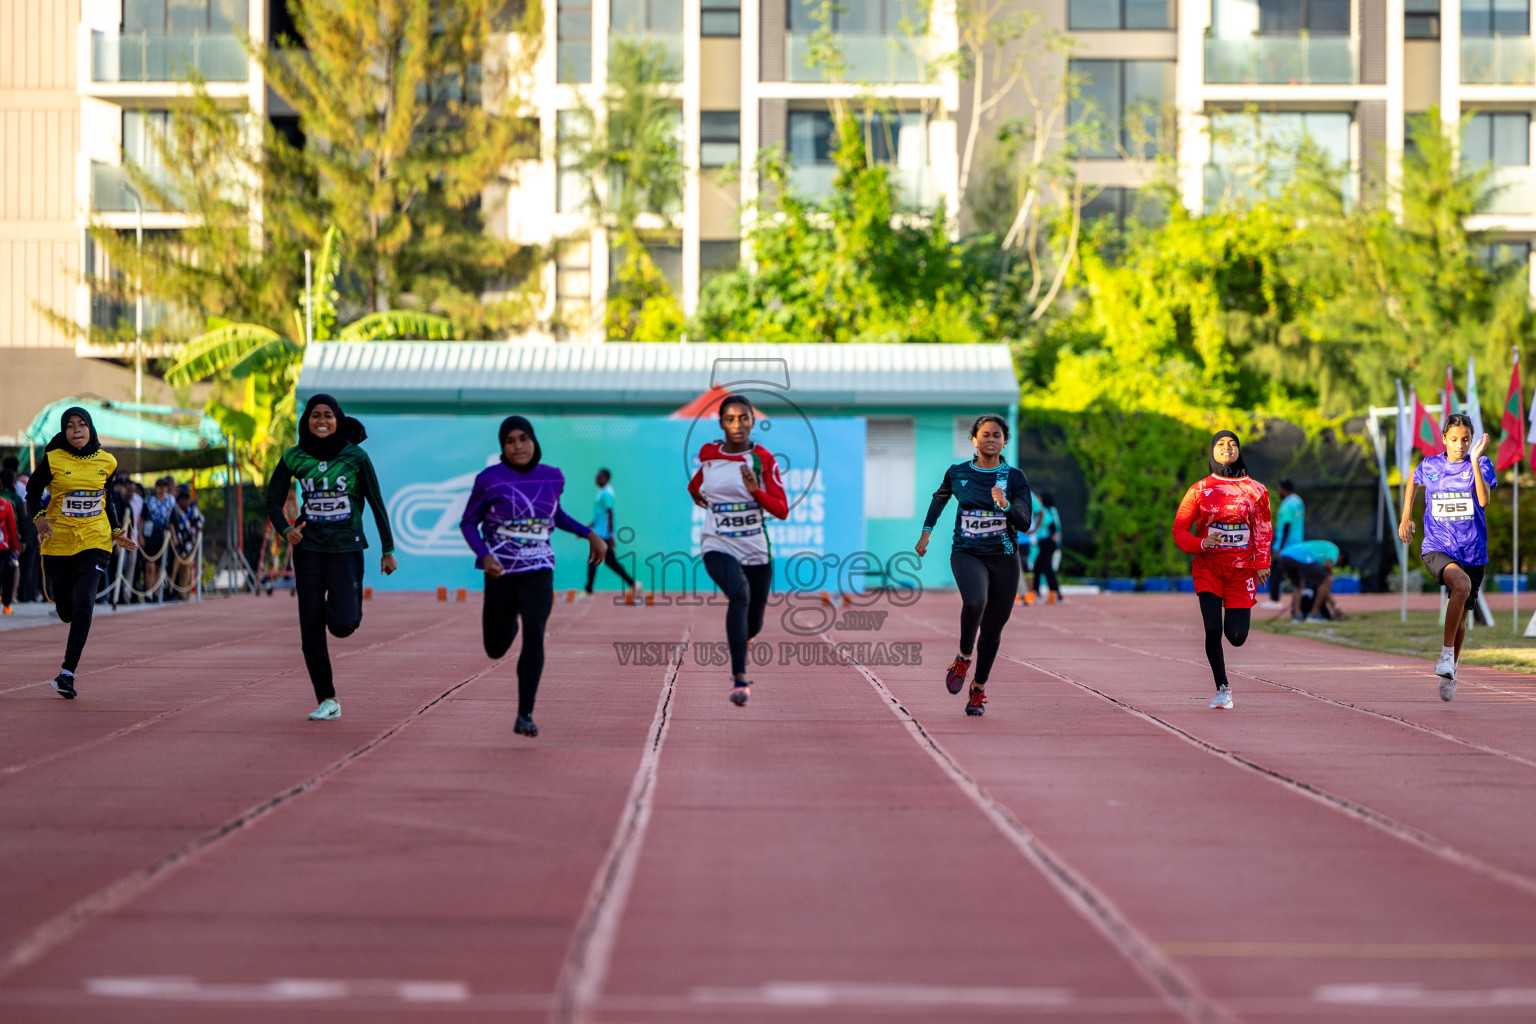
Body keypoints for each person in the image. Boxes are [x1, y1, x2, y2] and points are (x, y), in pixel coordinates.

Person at [460, 416, 606, 738]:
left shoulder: (552, 477)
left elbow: (555, 515)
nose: (518, 446)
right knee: (496, 647)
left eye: (523, 439)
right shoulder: (489, 480)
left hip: (539, 568)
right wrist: (484, 556)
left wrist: (589, 534)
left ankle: (524, 714)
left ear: (534, 441)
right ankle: (509, 621)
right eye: (510, 441)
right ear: (503, 447)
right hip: (500, 572)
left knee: (535, 634)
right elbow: (468, 522)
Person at [265, 394, 397, 721]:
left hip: (346, 548)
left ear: (338, 419)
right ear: (306, 421)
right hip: (308, 550)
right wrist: (286, 530)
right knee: (310, 629)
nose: (321, 421)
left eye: (328, 415)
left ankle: (332, 610)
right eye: (315, 415)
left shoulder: (355, 457)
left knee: (343, 624)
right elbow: (272, 501)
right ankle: (328, 699)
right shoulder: (294, 457)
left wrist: (388, 550)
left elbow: (377, 504)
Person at [917, 414, 1032, 717]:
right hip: (967, 551)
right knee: (975, 600)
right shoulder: (958, 473)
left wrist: (1005, 505)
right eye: (985, 434)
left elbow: (1025, 521)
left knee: (993, 629)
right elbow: (939, 498)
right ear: (974, 440)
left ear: (1005, 441)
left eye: (997, 435)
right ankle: (963, 656)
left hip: (1004, 558)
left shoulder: (1015, 477)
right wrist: (926, 533)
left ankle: (978, 690)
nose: (991, 439)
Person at [24, 407, 139, 697]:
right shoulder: (53, 460)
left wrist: (114, 530)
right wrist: (38, 518)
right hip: (58, 542)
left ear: (90, 429)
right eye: (71, 425)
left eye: (82, 424)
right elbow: (33, 492)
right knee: (66, 611)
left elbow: (107, 497)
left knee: (86, 603)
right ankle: (67, 618)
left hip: (95, 541)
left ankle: (67, 674)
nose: (77, 430)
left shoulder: (107, 461)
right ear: (64, 431)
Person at [687, 394, 790, 707]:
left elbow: (782, 509)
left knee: (754, 624)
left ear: (752, 422)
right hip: (716, 543)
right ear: (720, 423)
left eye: (743, 418)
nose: (737, 424)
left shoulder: (762, 459)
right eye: (730, 419)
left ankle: (742, 641)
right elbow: (697, 483)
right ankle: (740, 679)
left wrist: (754, 490)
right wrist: (695, 494)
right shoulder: (708, 453)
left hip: (756, 549)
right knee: (739, 594)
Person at [1172, 430, 1273, 711]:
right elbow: (1179, 530)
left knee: (1237, 637)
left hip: (1242, 572)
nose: (1227, 448)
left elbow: (1263, 528)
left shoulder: (1256, 490)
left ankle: (1225, 679)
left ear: (1239, 451)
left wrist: (1262, 563)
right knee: (1212, 627)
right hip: (1209, 569)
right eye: (1220, 444)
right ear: (1212, 451)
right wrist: (1202, 543)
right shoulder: (1199, 489)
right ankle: (1222, 688)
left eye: (1232, 444)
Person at [1396, 413, 1494, 701]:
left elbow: (1484, 499)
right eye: (1454, 440)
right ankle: (1446, 655)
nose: (1460, 445)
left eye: (1465, 440)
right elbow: (1412, 481)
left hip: (1473, 551)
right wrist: (1406, 517)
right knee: (1460, 585)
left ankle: (1451, 667)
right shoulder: (1431, 465)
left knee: (1462, 616)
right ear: (1444, 440)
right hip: (1438, 546)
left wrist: (1474, 461)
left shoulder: (1481, 464)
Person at [585, 468, 641, 601]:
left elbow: (610, 514)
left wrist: (611, 535)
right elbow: (599, 516)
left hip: (603, 534)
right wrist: (586, 528)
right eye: (597, 476)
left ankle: (589, 591)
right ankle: (633, 584)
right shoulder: (601, 492)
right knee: (610, 562)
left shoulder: (607, 494)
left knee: (593, 560)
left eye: (600, 477)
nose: (597, 479)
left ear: (607, 479)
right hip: (599, 532)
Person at [1276, 539, 1345, 623]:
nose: (1335, 565)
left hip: (1284, 556)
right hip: (1301, 556)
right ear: (1341, 557)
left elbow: (1324, 589)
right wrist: (1335, 607)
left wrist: (1335, 607)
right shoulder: (1335, 550)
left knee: (1298, 585)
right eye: (1337, 564)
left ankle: (1297, 616)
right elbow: (1328, 566)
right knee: (1328, 580)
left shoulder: (1321, 555)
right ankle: (1313, 615)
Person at [1266, 478, 1305, 606]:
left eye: (1279, 488)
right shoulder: (1298, 501)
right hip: (1297, 544)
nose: (1278, 491)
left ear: (1282, 489)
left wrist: (1280, 546)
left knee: (1275, 571)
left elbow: (1287, 524)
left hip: (1285, 545)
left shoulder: (1287, 504)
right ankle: (1298, 601)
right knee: (1296, 573)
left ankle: (1274, 600)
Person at [141, 476, 175, 600]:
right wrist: (140, 536)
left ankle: (156, 593)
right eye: (159, 487)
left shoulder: (170, 503)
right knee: (150, 565)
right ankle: (148, 592)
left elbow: (171, 522)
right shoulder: (149, 502)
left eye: (164, 487)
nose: (161, 489)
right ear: (156, 488)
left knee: (159, 567)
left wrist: (174, 537)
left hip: (162, 537)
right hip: (149, 536)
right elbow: (141, 519)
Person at [170, 484, 204, 599]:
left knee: (187, 566)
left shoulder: (193, 508)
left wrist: (194, 533)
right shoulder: (175, 509)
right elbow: (171, 524)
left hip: (189, 543)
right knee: (175, 567)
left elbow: (200, 522)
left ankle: (183, 591)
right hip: (178, 543)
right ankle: (170, 590)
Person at [1032, 490, 1064, 604]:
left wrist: (1052, 534)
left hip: (1047, 541)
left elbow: (1051, 524)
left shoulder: (1044, 511)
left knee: (1046, 568)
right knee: (1038, 567)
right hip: (1048, 542)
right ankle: (1037, 592)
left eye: (1040, 498)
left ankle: (1055, 593)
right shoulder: (1053, 510)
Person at [0, 471, 18, 614]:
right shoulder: (6, 505)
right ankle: (6, 606)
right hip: (3, 546)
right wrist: (15, 548)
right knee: (6, 575)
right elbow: (12, 528)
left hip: (3, 546)